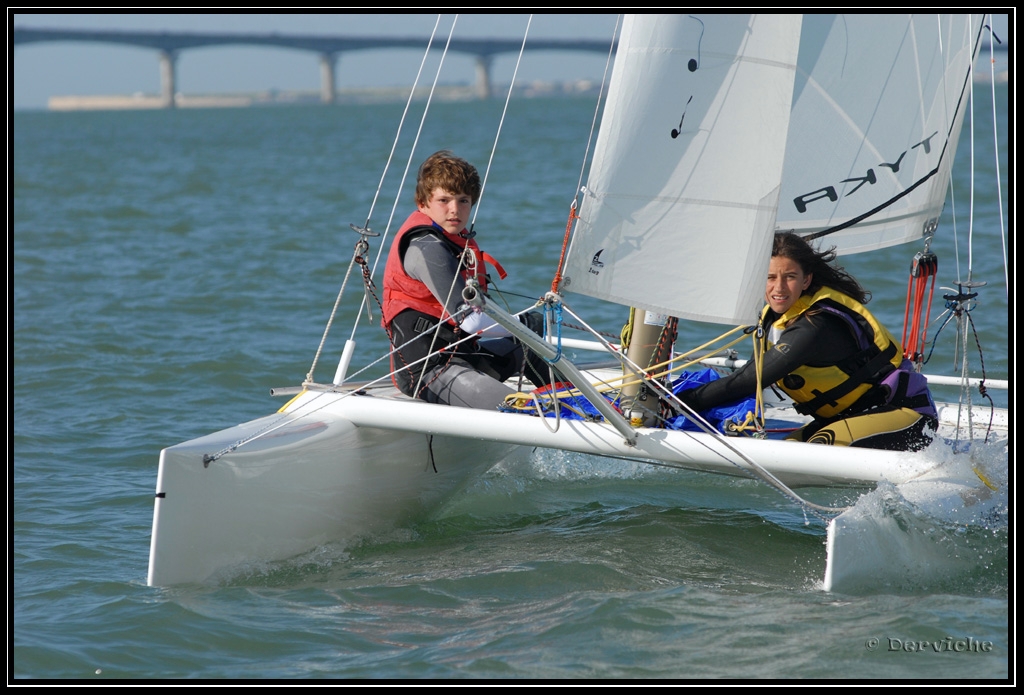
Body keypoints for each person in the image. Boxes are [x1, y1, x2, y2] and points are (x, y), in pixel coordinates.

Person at [675, 232, 938, 451]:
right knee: (785, 449)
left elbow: (750, 380)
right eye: (770, 277)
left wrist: (674, 402)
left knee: (814, 449)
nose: (779, 288)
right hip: (846, 418)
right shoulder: (776, 316)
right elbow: (752, 375)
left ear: (806, 280)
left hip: (904, 416)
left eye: (789, 277)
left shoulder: (815, 326)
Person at [380, 150, 547, 409]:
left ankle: (579, 402)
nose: (455, 210)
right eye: (444, 200)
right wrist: (525, 324)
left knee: (534, 350)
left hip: (464, 357)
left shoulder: (454, 240)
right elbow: (471, 321)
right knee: (520, 407)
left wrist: (528, 332)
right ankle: (553, 416)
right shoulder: (427, 247)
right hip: (429, 372)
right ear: (423, 203)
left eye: (464, 200)